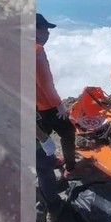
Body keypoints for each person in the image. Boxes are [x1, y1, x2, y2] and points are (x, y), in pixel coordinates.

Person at [35, 13, 76, 177]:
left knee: (43, 137)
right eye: (46, 29)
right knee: (67, 133)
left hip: (36, 106)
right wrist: (58, 103)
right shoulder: (37, 49)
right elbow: (44, 81)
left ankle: (51, 162)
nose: (48, 33)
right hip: (48, 105)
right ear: (36, 29)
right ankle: (71, 169)